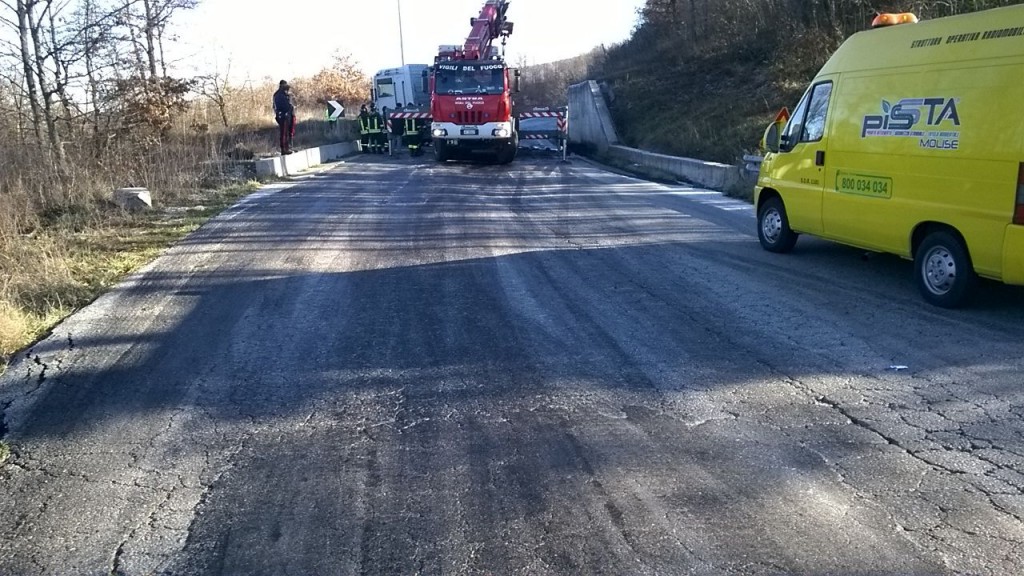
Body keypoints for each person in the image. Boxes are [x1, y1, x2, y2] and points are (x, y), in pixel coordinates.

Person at [272, 80, 296, 155]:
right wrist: (287, 111)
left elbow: (291, 103)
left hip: (289, 115)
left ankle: (289, 147)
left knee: (289, 132)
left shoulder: (286, 94)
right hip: (283, 115)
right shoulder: (279, 94)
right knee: (284, 133)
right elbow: (282, 106)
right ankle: (284, 149)